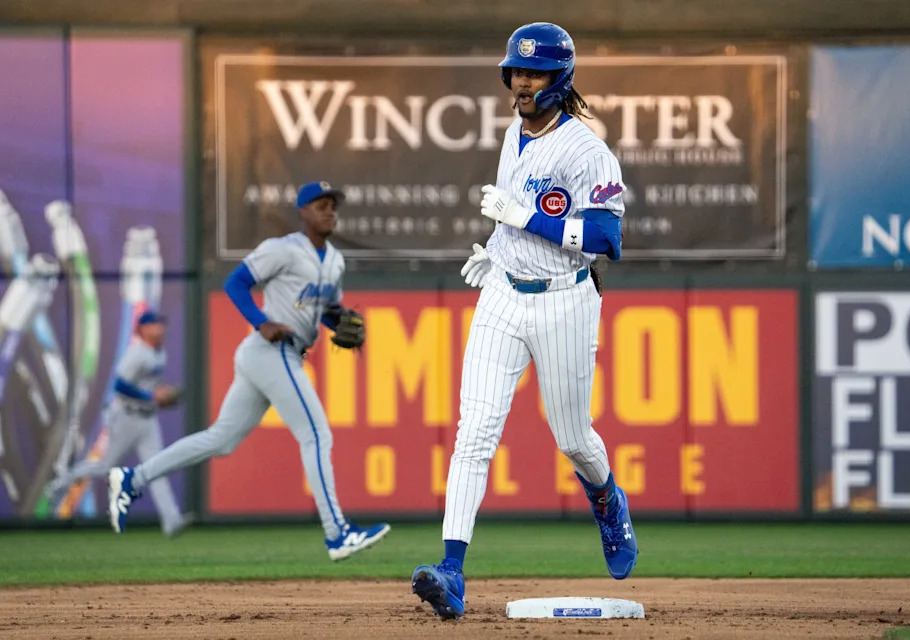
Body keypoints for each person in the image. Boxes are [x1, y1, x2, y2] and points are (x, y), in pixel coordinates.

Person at [411, 23, 637, 619]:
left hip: (565, 300)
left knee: (572, 438)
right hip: (504, 295)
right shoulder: (514, 132)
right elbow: (511, 212)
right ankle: (452, 571)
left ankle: (607, 498)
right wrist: (496, 244)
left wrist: (527, 217)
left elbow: (607, 239)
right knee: (474, 433)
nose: (521, 84)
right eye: (516, 72)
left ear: (560, 79)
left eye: (533, 73)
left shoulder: (589, 152)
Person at [108, 182, 389, 560]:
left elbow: (329, 310)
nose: (330, 211)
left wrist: (340, 324)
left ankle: (132, 479)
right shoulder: (283, 249)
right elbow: (236, 282)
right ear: (303, 211)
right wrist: (261, 321)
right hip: (272, 350)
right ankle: (337, 533)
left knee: (220, 440)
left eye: (333, 205)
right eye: (321, 205)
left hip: (277, 354)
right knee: (317, 435)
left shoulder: (335, 261)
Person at [45, 310, 188, 537]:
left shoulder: (159, 353)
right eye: (155, 324)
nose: (161, 328)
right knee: (104, 467)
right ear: (143, 329)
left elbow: (150, 387)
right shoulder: (137, 353)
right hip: (126, 417)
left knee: (157, 467)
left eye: (161, 324)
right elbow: (120, 386)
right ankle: (60, 483)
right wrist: (151, 397)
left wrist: (161, 396)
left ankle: (171, 520)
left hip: (147, 419)